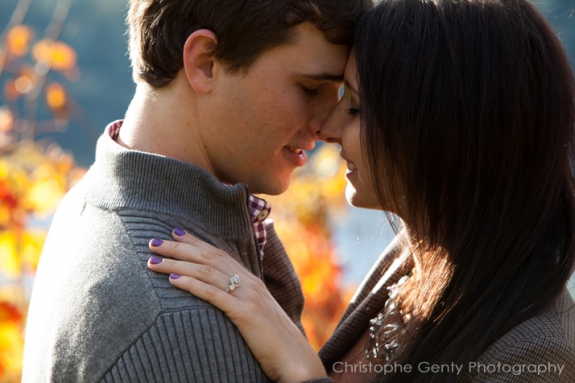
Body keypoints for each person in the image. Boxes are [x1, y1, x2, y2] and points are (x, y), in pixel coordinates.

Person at [146, 0, 575, 382]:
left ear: (445, 131)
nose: (327, 129)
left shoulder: (535, 355)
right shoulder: (416, 259)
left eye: (355, 107)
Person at [21, 0, 370, 381]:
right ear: (205, 62)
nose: (327, 123)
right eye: (310, 88)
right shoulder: (180, 322)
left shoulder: (86, 203)